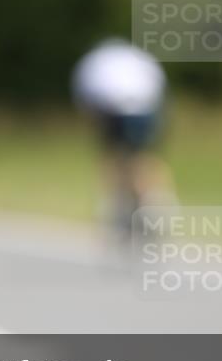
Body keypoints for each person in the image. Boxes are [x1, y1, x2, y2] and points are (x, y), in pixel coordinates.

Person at [72, 38, 176, 239]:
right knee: (144, 157)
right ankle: (157, 200)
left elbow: (86, 101)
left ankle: (115, 207)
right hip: (146, 109)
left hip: (112, 110)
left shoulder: (94, 61)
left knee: (113, 157)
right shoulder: (139, 58)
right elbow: (160, 89)